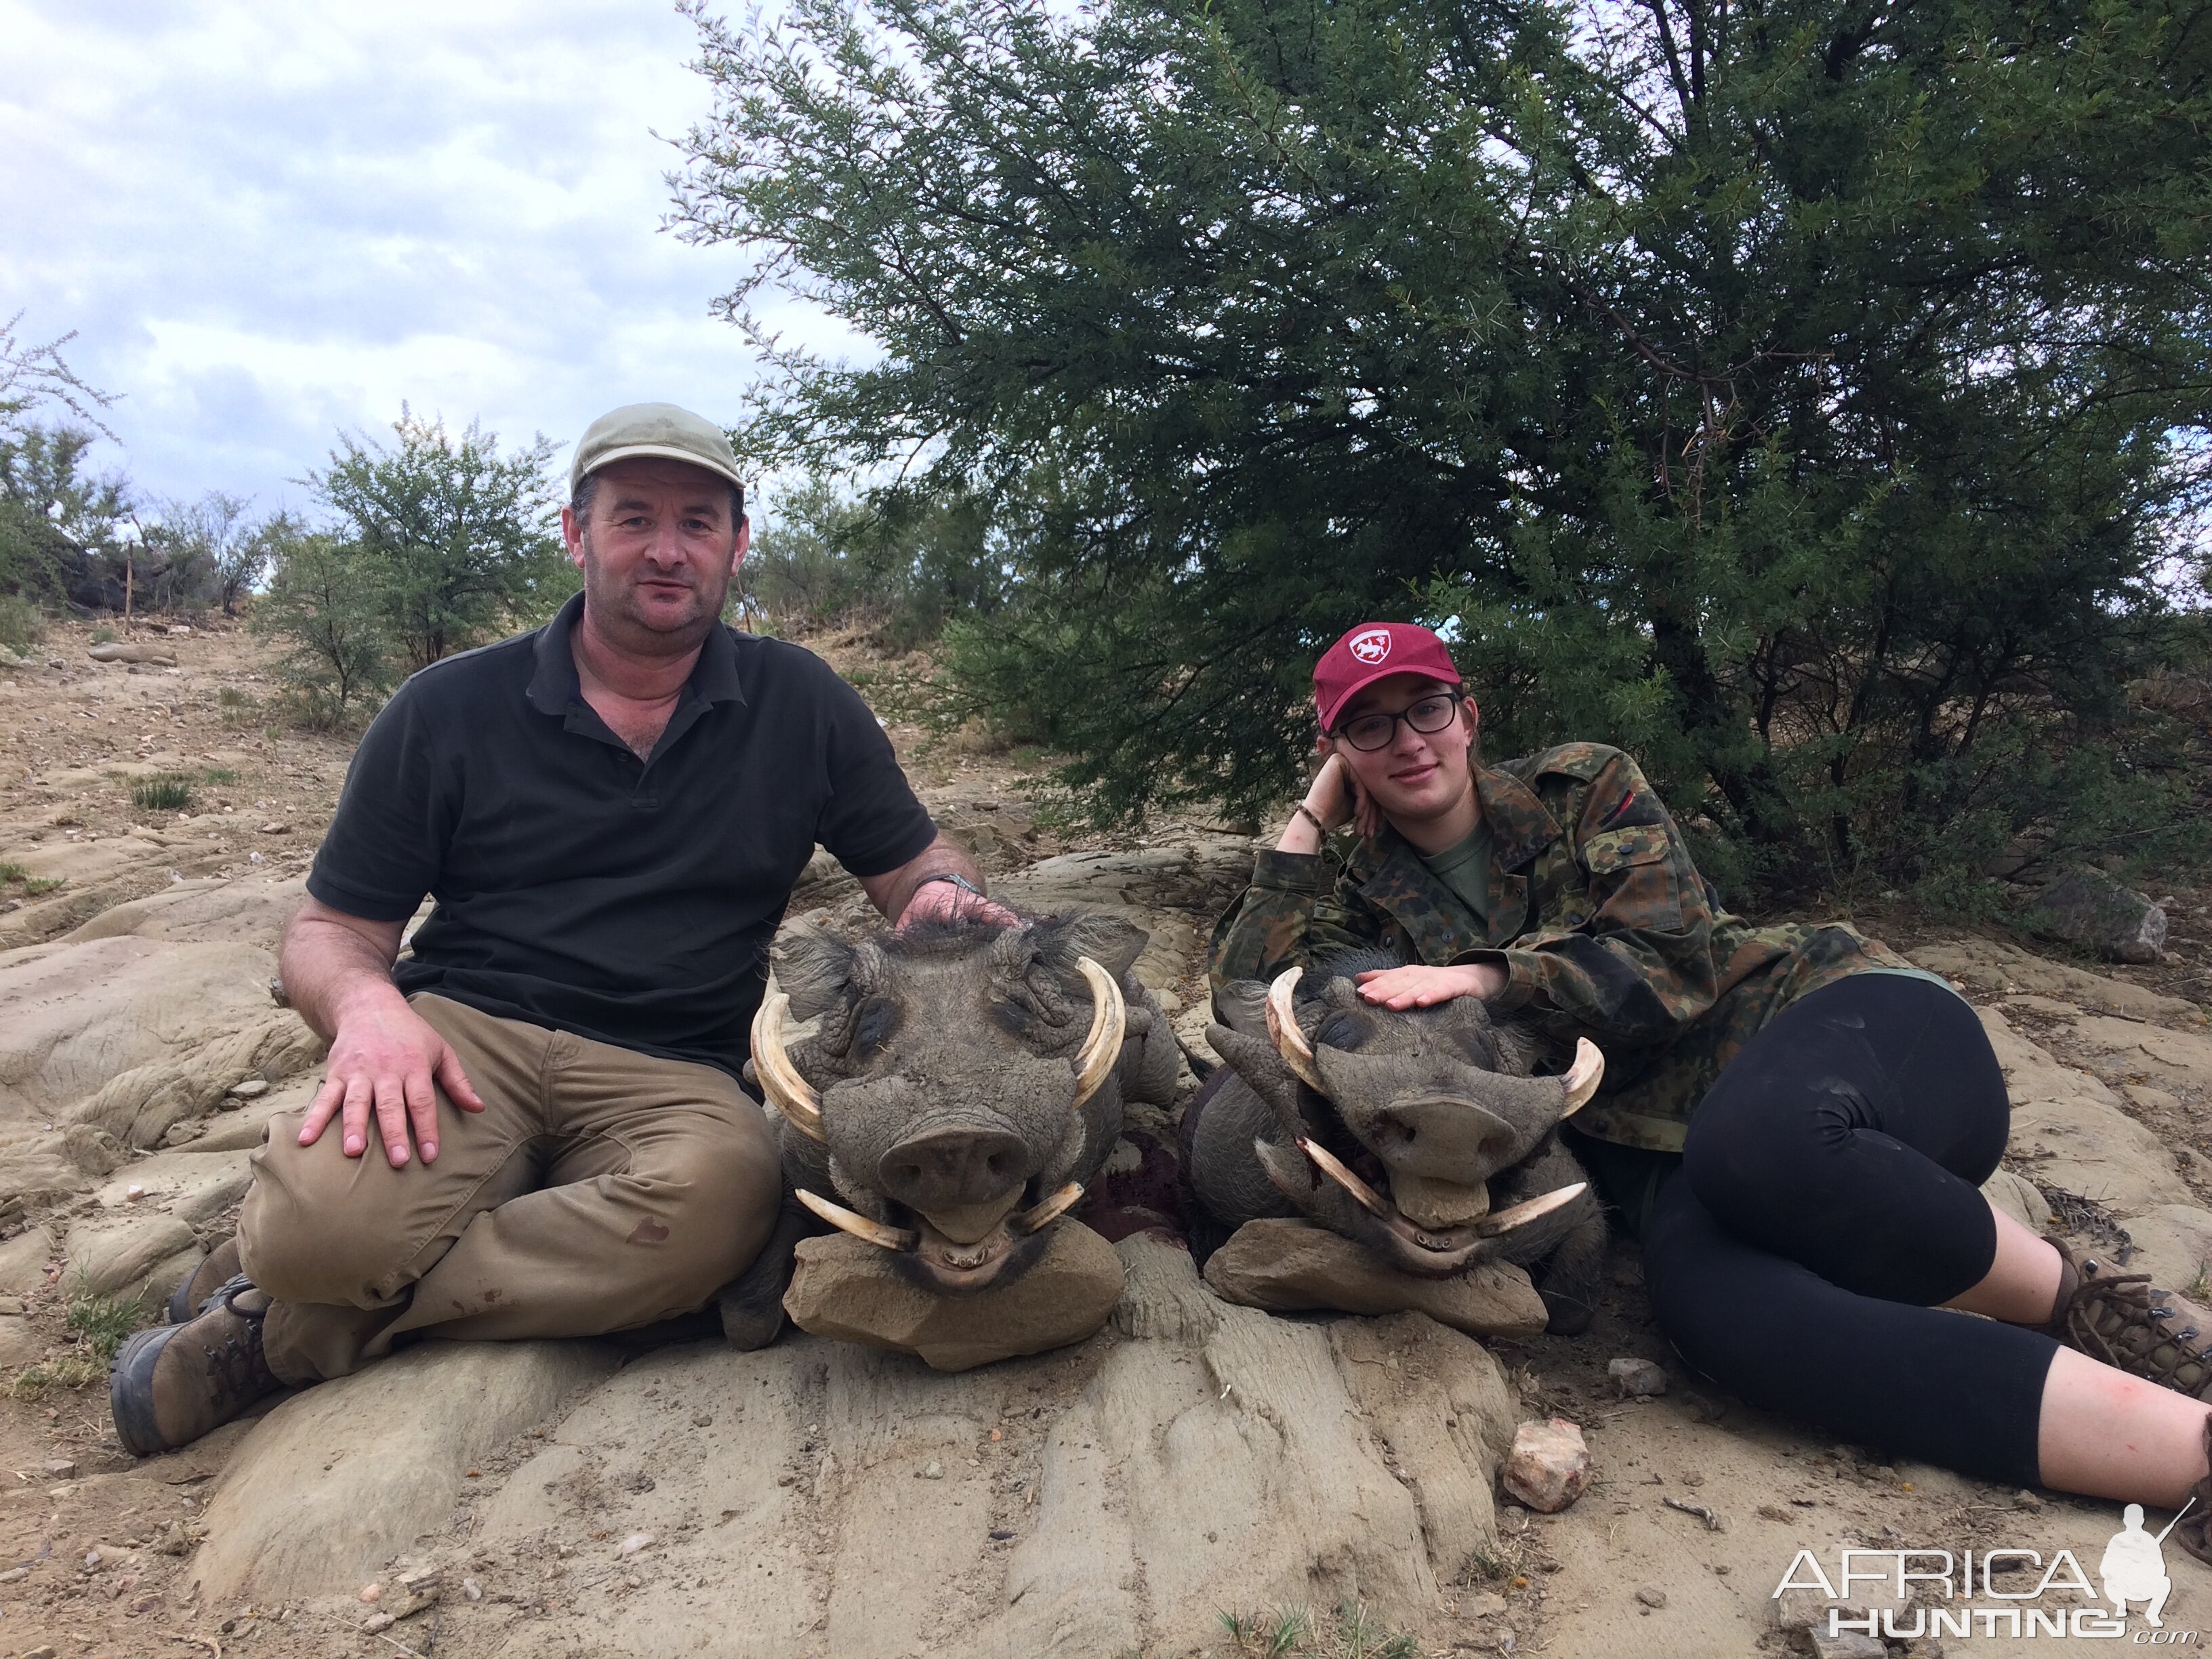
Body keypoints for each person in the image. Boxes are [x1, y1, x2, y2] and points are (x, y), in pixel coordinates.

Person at [110, 403, 1009, 1454]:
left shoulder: (802, 701)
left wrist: (943, 898)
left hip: (671, 1066)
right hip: (461, 1037)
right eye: (633, 519)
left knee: (724, 1208)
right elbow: (329, 930)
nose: (667, 550)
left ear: (738, 545)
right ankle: (299, 1263)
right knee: (321, 1235)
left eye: (699, 523)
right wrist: (367, 1010)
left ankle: (275, 1329)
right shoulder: (445, 707)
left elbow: (913, 864)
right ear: (577, 534)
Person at [1210, 619, 2212, 1550]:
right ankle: (2189, 1456)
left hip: (1851, 1026)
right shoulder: (1358, 906)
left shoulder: (1586, 783)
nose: (1408, 741)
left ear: (1468, 716)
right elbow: (1257, 996)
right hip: (1671, 1162)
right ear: (1339, 748)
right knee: (1719, 1321)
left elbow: (1669, 954)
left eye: (1427, 709)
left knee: (1760, 1143)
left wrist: (1486, 976)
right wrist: (1309, 817)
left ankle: (2078, 1299)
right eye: (1368, 726)